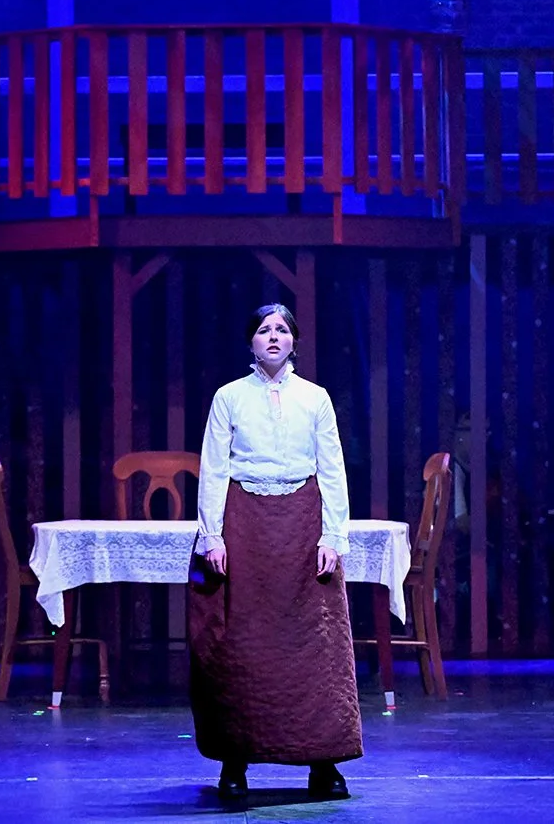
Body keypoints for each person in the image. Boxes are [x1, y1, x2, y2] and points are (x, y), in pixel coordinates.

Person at [187, 304, 362, 801]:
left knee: (314, 645)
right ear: (250, 342)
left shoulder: (315, 398)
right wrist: (214, 537)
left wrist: (332, 537)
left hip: (304, 525)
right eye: (264, 330)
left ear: (294, 342)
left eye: (282, 330)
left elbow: (332, 469)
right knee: (241, 642)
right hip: (245, 523)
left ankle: (323, 762)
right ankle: (235, 761)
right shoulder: (229, 398)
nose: (273, 337)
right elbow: (214, 468)